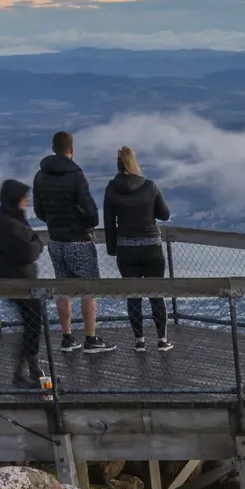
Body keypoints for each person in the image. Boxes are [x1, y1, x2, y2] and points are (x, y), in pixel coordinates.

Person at [30, 131, 108, 355]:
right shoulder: (76, 175)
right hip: (80, 240)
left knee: (62, 289)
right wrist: (87, 223)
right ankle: (90, 339)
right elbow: (90, 210)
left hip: (56, 241)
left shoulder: (40, 176)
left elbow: (38, 210)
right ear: (71, 149)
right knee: (88, 290)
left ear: (53, 148)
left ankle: (67, 337)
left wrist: (54, 223)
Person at [101, 146, 174, 352]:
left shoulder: (111, 189)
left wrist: (112, 249)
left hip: (126, 249)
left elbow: (108, 222)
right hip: (151, 247)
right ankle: (162, 339)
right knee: (156, 293)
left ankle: (139, 340)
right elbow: (165, 214)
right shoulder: (150, 186)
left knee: (133, 295)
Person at [0, 177, 48, 383]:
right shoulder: (10, 224)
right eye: (24, 198)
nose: (26, 202)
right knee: (32, 324)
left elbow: (30, 245)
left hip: (21, 282)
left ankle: (30, 369)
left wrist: (34, 242)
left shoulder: (9, 220)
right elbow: (30, 250)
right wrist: (36, 243)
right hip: (20, 283)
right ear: (15, 199)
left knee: (32, 324)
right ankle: (26, 371)